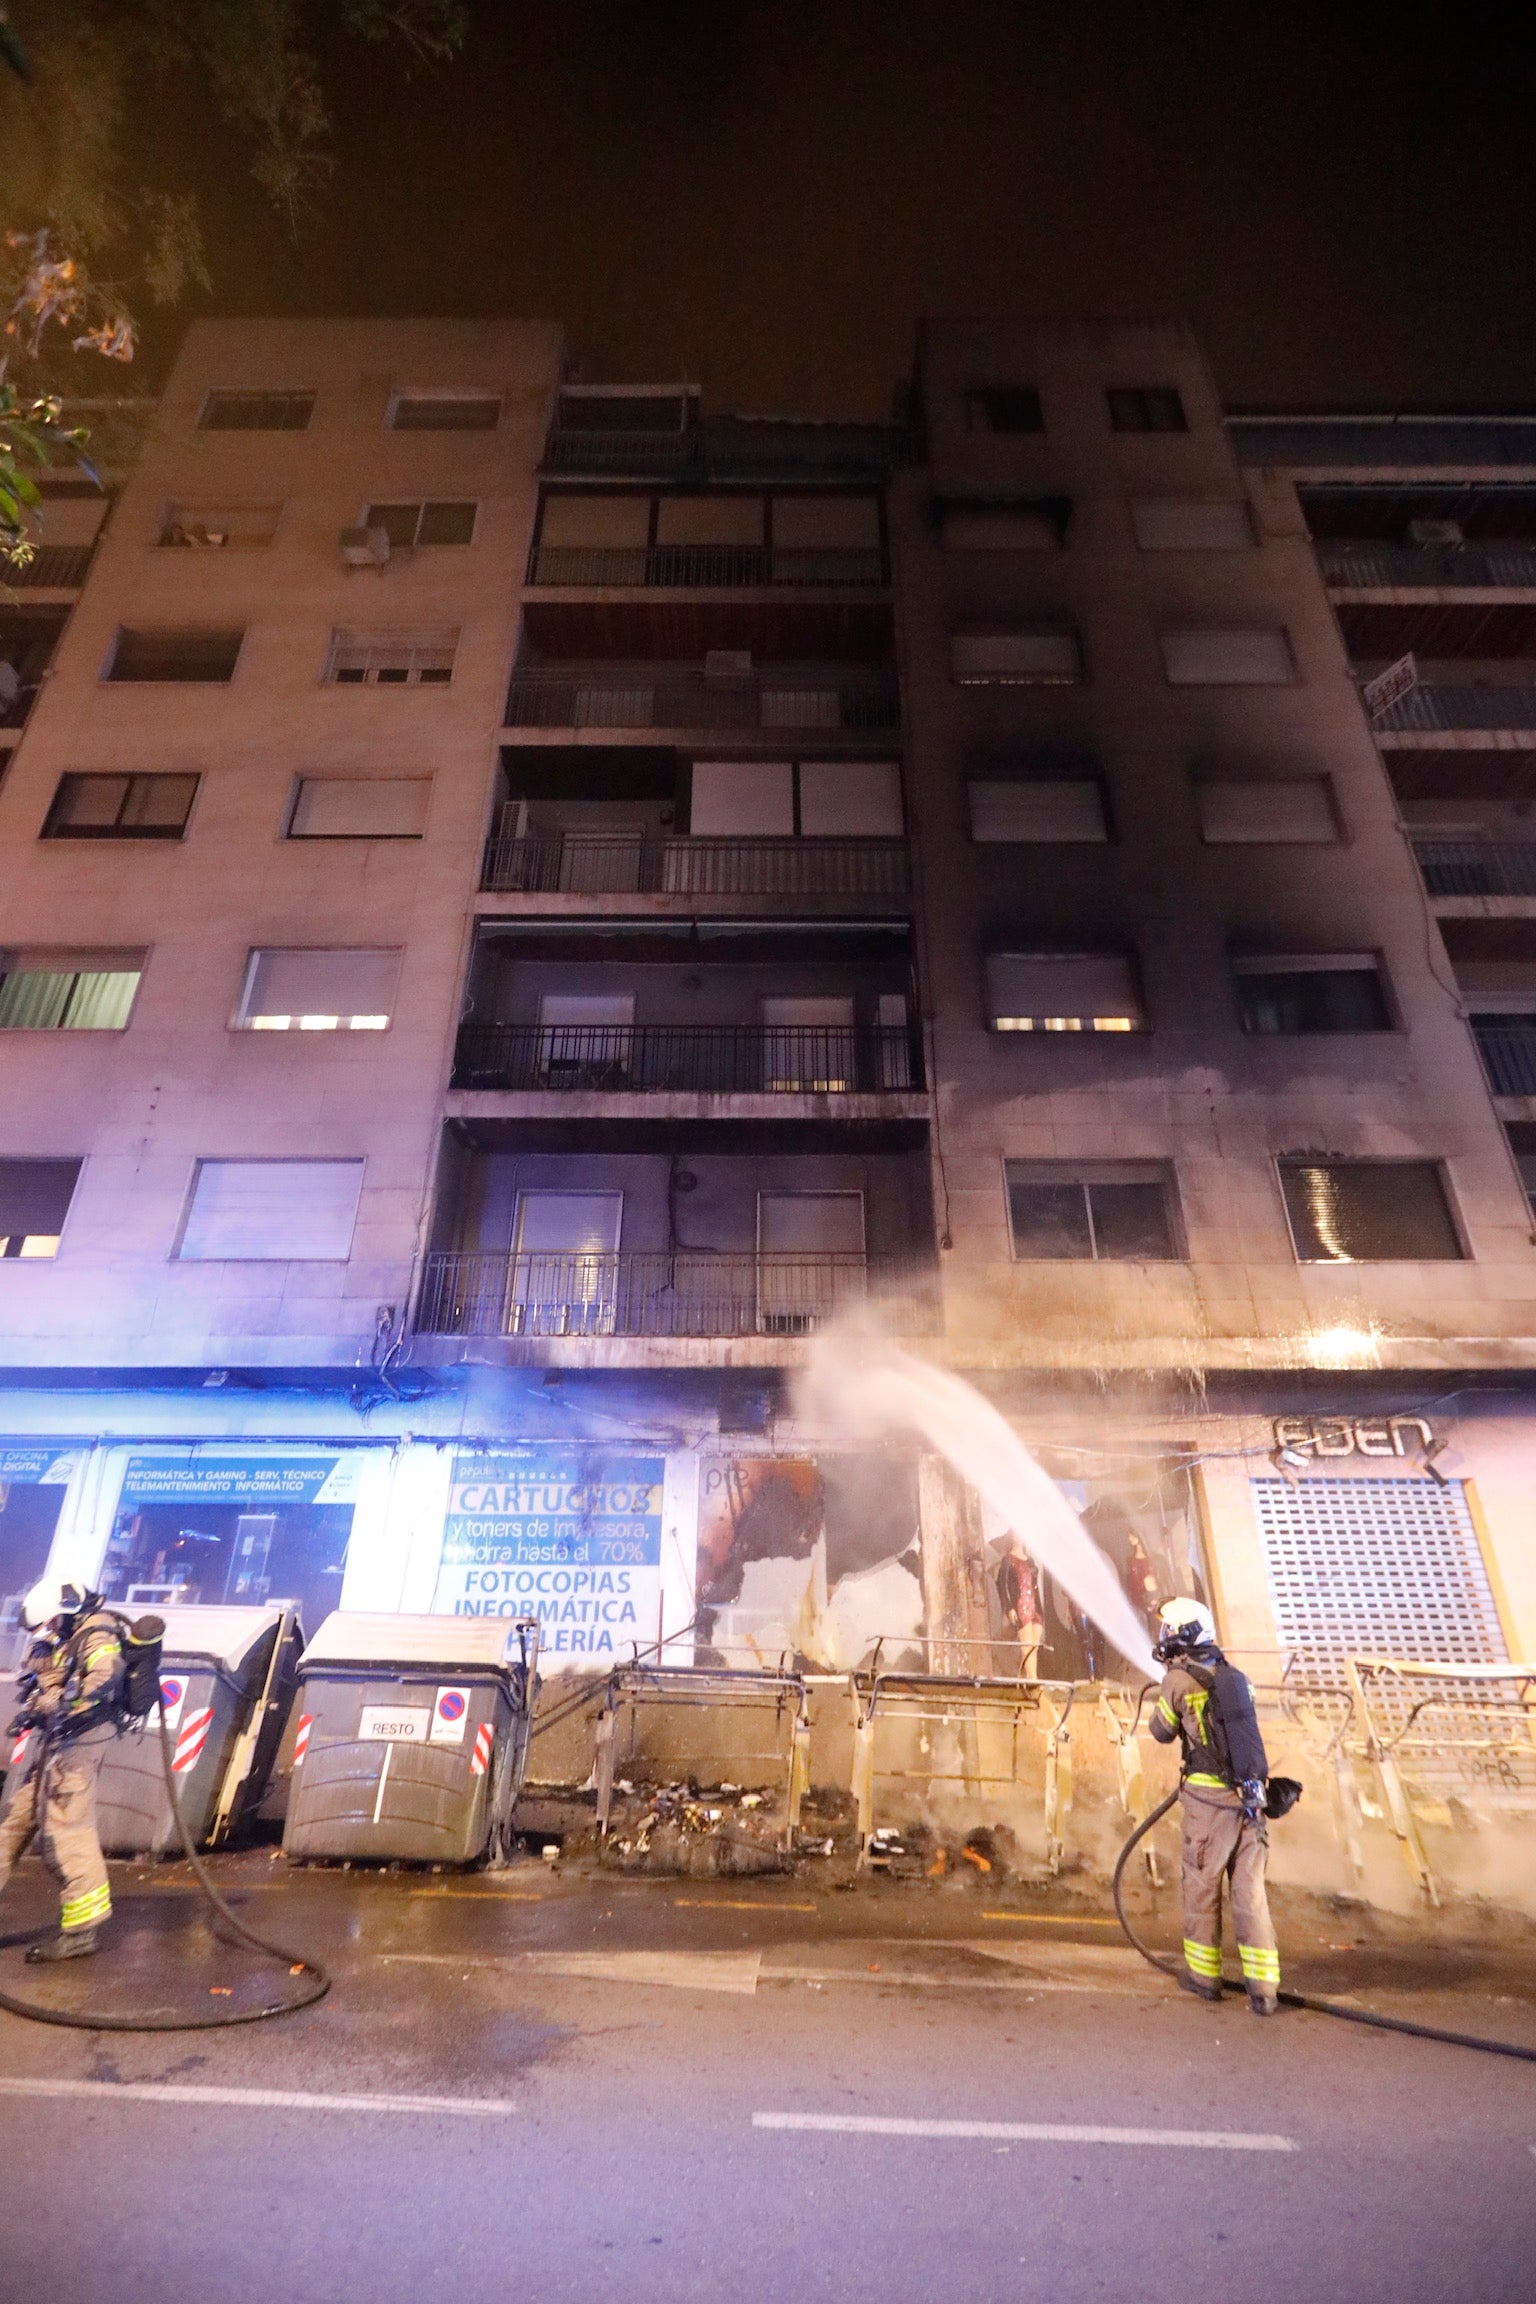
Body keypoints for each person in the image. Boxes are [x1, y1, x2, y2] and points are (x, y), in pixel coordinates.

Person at [1147, 1596, 1280, 2016]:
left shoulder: (1178, 1682)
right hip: (1252, 1802)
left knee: (1202, 1888)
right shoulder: (1237, 1679)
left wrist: (1169, 1684)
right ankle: (1264, 1989)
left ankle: (1205, 1979)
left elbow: (1161, 1731)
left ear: (1182, 1635)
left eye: (1168, 1631)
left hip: (1209, 1805)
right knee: (1250, 1893)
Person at [0, 1578, 123, 1961]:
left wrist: (60, 1702)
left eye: (50, 1623)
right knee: (13, 1824)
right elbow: (48, 1678)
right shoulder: (66, 1637)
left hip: (81, 1746)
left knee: (68, 1832)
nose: (48, 1631)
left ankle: (82, 1932)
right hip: (59, 1743)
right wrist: (35, 1704)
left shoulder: (98, 1633)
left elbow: (104, 1678)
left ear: (67, 1611)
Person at [995, 1533, 1044, 1679]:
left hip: (1034, 1604)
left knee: (1034, 1645)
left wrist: (1039, 1607)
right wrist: (1009, 1607)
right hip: (1021, 1604)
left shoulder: (1030, 1560)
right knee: (1027, 1645)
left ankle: (1023, 1677)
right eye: (1015, 1536)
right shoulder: (1008, 1560)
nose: (1018, 1539)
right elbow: (1002, 1585)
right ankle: (1033, 1679)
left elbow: (1035, 1586)